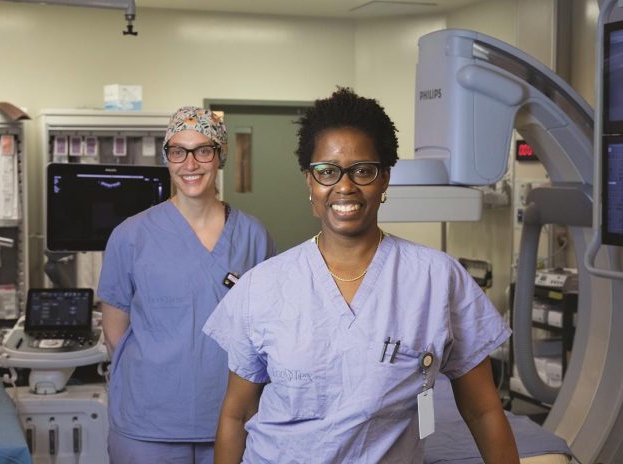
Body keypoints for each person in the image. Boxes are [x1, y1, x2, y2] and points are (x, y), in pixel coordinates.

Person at [202, 88, 519, 463]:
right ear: (310, 181)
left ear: (385, 179)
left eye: (363, 171)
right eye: (327, 171)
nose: (345, 186)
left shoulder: (436, 279)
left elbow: (483, 411)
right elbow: (236, 415)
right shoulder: (264, 286)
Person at [98, 106, 276, 464]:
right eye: (178, 151)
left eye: (202, 150)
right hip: (148, 424)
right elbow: (115, 332)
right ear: (167, 158)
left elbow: (268, 330)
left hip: (232, 417)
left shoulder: (252, 235)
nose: (189, 164)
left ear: (220, 155)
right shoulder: (131, 236)